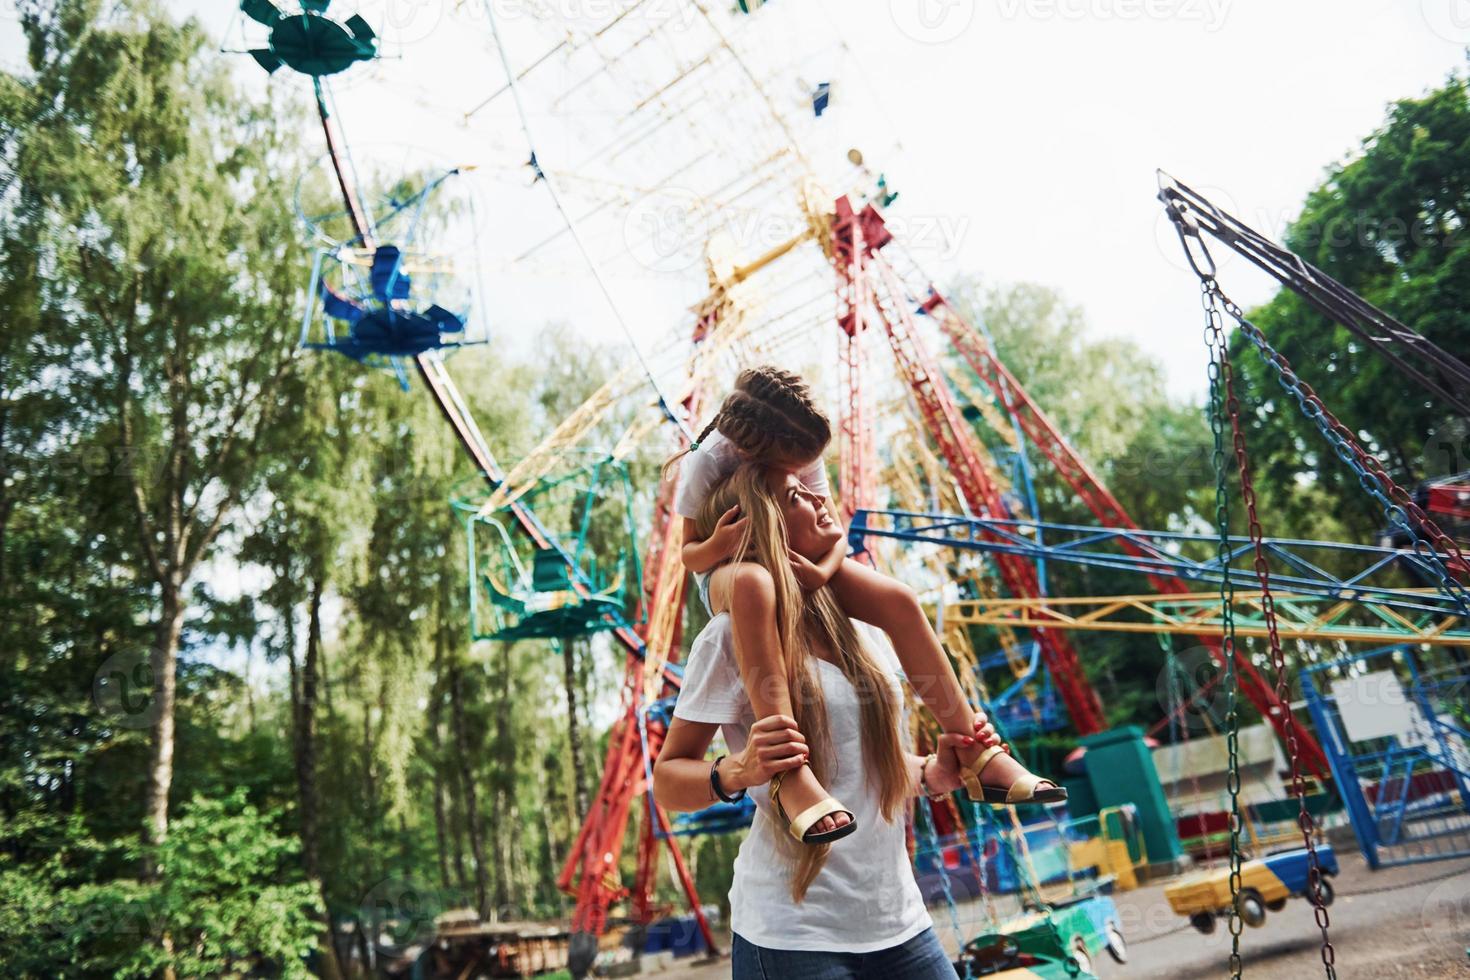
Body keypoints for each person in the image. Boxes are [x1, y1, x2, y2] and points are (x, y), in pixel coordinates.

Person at [666, 366, 1063, 841]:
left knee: (897, 596)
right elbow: (690, 554)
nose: (807, 479)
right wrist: (725, 542)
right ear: (762, 448)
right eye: (795, 480)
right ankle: (788, 771)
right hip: (724, 563)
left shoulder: (798, 456)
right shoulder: (709, 460)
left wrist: (821, 572)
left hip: (800, 556)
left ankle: (977, 751)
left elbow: (832, 531)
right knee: (753, 584)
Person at [652, 462, 1001, 978]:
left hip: (898, 920)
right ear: (760, 524)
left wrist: (931, 773)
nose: (819, 500)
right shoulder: (727, 638)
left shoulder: (866, 629)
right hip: (792, 935)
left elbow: (860, 763)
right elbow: (667, 781)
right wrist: (739, 770)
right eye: (797, 496)